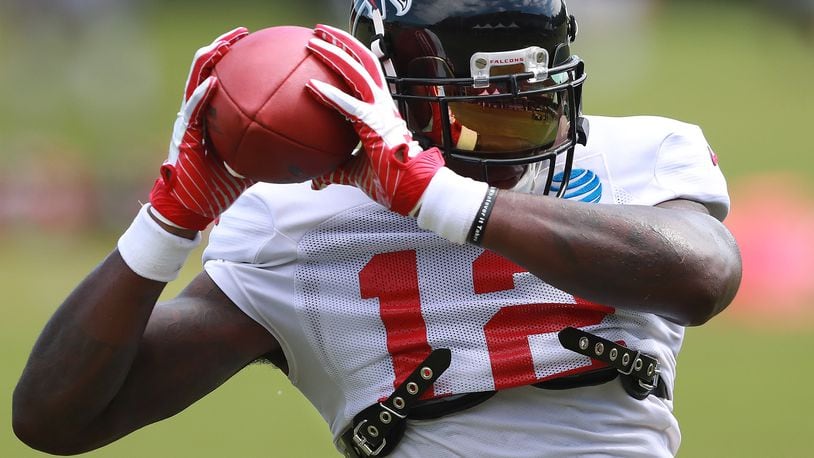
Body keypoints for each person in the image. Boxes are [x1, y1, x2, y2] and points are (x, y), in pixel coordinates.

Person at [12, 1, 742, 457]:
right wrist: (167, 223)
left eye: (529, 103)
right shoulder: (297, 225)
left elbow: (705, 277)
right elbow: (56, 417)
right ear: (391, 85)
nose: (510, 132)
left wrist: (441, 199)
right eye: (479, 110)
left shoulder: (644, 155)